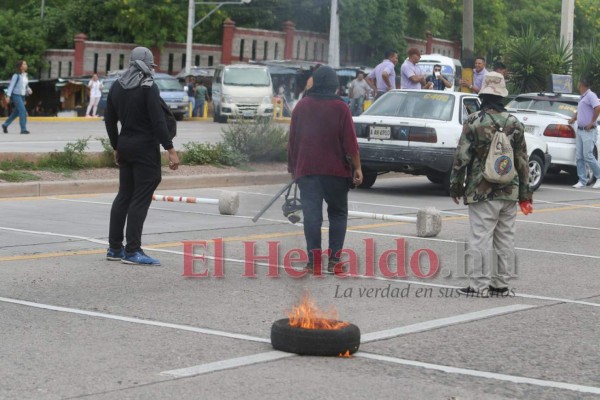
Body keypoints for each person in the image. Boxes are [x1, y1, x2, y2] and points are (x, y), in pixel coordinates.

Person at [449, 72, 533, 297]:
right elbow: (522, 161)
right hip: (509, 190)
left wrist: (456, 186)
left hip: (481, 190)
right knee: (505, 237)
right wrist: (525, 193)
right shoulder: (514, 123)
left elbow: (462, 158)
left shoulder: (474, 120)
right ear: (503, 97)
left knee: (481, 237)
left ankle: (479, 286)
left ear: (483, 95)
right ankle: (501, 284)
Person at [104, 47, 180, 265]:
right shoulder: (148, 87)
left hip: (125, 146)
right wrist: (170, 149)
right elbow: (157, 122)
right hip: (145, 148)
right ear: (147, 64)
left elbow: (109, 121)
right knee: (140, 197)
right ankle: (133, 251)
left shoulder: (117, 86)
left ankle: (115, 248)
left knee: (123, 196)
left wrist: (116, 146)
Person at [288, 66, 363, 275]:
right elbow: (351, 143)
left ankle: (313, 262)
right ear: (334, 84)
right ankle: (335, 261)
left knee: (312, 216)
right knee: (338, 213)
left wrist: (293, 168)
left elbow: (292, 141)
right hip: (336, 172)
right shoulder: (341, 107)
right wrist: (357, 168)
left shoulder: (301, 106)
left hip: (308, 171)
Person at [568, 77, 600, 189]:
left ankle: (599, 177)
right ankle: (582, 180)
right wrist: (573, 118)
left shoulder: (591, 95)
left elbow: (597, 108)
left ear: (582, 85)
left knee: (588, 156)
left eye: (578, 84)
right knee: (579, 157)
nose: (578, 86)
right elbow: (580, 110)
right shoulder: (583, 97)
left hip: (589, 131)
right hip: (581, 130)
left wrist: (592, 122)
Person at [2, 60, 33, 134]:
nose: (26, 65)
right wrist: (8, 96)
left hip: (22, 96)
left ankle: (5, 125)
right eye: (24, 64)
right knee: (23, 111)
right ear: (21, 66)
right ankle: (23, 129)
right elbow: (11, 86)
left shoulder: (26, 75)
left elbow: (26, 85)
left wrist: (29, 89)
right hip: (16, 96)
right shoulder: (16, 76)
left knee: (16, 112)